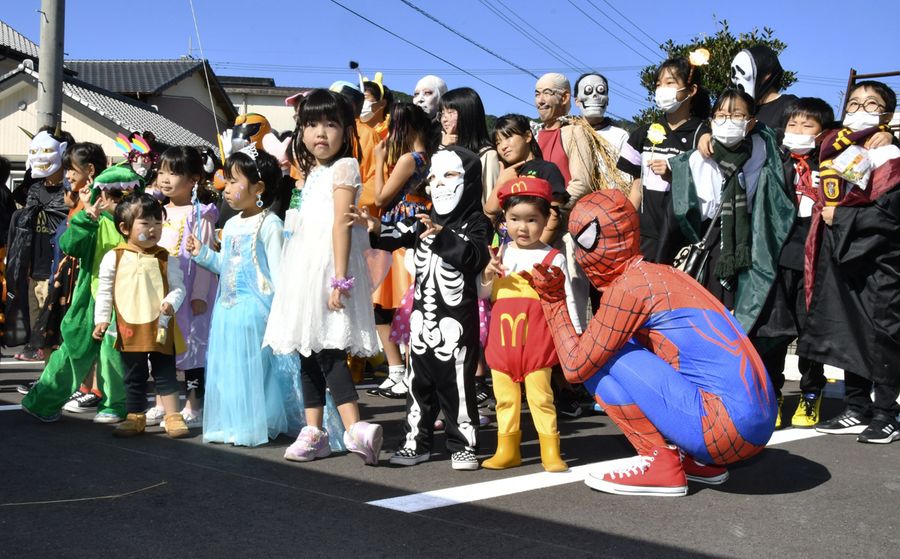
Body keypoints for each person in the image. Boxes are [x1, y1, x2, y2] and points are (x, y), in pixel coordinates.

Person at [531, 189, 775, 497]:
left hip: (722, 431)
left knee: (597, 358)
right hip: (758, 425)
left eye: (587, 240)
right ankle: (690, 459)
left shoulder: (632, 287)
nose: (580, 255)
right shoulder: (663, 274)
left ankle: (660, 463)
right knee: (613, 347)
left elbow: (575, 366)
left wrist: (553, 301)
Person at [350, 145, 492, 470]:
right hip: (421, 325)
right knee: (417, 388)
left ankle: (463, 444)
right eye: (433, 178)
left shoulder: (476, 224)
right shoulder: (421, 221)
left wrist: (443, 236)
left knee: (457, 387)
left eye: (450, 175)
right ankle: (416, 442)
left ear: (469, 181)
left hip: (457, 325)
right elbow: (391, 236)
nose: (439, 184)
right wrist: (370, 227)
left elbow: (474, 257)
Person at [264, 89, 382, 465]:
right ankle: (315, 432)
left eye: (331, 124)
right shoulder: (312, 172)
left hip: (328, 269)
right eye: (312, 124)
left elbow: (341, 226)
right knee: (307, 350)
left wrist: (340, 279)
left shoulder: (345, 166)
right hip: (302, 268)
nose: (321, 133)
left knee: (328, 351)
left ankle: (354, 429)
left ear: (346, 130)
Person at [187, 147, 327, 447]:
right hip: (227, 309)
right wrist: (201, 253)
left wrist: (283, 312)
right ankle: (233, 423)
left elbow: (279, 274)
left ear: (258, 188)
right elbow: (226, 266)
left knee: (255, 371)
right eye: (227, 180)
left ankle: (254, 423)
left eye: (235, 181)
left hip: (256, 310)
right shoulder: (233, 223)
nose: (226, 188)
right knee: (229, 370)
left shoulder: (270, 224)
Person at [799, 80, 900, 443]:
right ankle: (856, 405)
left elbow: (890, 216)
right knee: (849, 328)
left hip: (882, 259)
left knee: (883, 333)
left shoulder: (893, 158)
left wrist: (838, 219)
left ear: (886, 114)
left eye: (870, 104)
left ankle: (887, 412)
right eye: (854, 103)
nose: (859, 110)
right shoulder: (836, 151)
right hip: (843, 253)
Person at [21, 165, 141, 423]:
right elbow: (68, 245)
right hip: (90, 298)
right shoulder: (93, 219)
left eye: (128, 197)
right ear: (102, 194)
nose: (121, 203)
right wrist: (86, 219)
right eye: (115, 196)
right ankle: (42, 401)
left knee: (114, 354)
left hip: (123, 301)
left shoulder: (138, 224)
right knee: (73, 350)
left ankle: (114, 405)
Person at [668, 89, 793, 330]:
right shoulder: (698, 157)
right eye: (721, 114)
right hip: (712, 244)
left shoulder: (763, 149)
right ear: (712, 120)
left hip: (750, 243)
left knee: (740, 318)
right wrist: (703, 136)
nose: (728, 121)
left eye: (737, 115)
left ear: (751, 122)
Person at [480, 177, 577, 472]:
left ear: (547, 219)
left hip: (536, 344)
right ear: (504, 221)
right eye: (514, 219)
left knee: (541, 397)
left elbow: (567, 299)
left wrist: (573, 336)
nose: (522, 227)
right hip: (502, 345)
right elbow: (484, 295)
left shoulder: (554, 257)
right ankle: (507, 449)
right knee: (504, 400)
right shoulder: (501, 254)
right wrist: (487, 274)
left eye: (532, 219)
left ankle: (550, 451)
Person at [750, 98, 832, 428]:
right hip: (779, 256)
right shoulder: (774, 160)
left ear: (823, 132)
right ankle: (774, 391)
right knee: (774, 330)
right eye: (792, 125)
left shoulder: (832, 163)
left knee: (810, 330)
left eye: (807, 126)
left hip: (816, 257)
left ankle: (812, 393)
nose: (797, 131)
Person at [93, 193, 189, 438]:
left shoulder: (166, 258)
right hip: (128, 326)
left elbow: (179, 288)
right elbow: (105, 290)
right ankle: (135, 417)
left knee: (165, 372)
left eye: (158, 222)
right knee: (134, 375)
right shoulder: (113, 257)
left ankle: (172, 416)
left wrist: (170, 303)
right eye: (145, 223)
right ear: (125, 228)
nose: (154, 228)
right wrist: (102, 319)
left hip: (161, 326)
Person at [147, 146, 218, 428]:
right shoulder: (157, 212)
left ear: (193, 180)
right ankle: (163, 402)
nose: (165, 178)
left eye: (174, 173)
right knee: (161, 348)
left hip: (190, 293)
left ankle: (193, 405)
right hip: (162, 292)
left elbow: (205, 257)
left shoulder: (200, 215)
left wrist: (200, 294)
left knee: (192, 348)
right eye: (162, 171)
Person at [616, 57, 711, 265]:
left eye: (670, 83)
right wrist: (627, 225)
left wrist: (674, 175)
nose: (662, 89)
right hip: (646, 235)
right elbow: (636, 187)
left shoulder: (702, 136)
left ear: (691, 90)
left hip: (683, 237)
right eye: (658, 84)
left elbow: (707, 187)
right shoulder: (643, 134)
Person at [369, 102, 433, 399]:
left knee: (385, 302)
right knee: (406, 302)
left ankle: (399, 372)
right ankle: (406, 372)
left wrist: (380, 161)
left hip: (398, 226)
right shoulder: (429, 157)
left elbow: (382, 196)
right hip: (414, 223)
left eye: (396, 125)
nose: (393, 132)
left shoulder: (409, 158)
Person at [6, 129, 71, 353]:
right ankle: (46, 381)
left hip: (58, 272)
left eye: (45, 151)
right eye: (35, 151)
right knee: (40, 335)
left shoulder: (70, 192)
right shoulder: (34, 190)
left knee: (56, 332)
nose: (39, 157)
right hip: (35, 272)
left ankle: (60, 383)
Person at [439, 87, 500, 204]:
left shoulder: (487, 155)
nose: (444, 119)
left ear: (468, 115)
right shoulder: (445, 150)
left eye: (450, 112)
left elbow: (490, 201)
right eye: (442, 113)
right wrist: (442, 149)